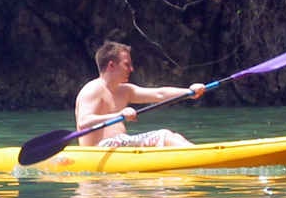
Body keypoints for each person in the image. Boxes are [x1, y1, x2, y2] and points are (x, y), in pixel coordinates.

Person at [74, 41, 204, 147]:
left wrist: (188, 92)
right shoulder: (92, 89)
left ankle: (199, 155)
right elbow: (84, 122)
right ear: (111, 65)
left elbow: (160, 94)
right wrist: (119, 115)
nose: (131, 69)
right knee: (163, 135)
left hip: (121, 145)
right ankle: (202, 157)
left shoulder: (125, 90)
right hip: (99, 150)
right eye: (127, 64)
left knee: (174, 137)